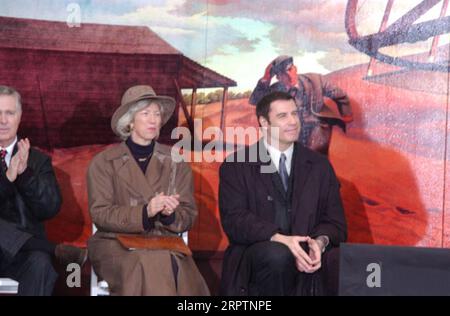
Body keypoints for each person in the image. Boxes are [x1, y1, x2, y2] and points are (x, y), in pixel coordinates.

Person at [219, 91, 347, 296]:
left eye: (294, 114)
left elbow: (336, 223)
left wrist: (320, 243)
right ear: (264, 122)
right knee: (278, 255)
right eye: (283, 116)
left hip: (307, 255)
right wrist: (279, 238)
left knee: (340, 260)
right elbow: (235, 221)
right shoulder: (237, 165)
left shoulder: (320, 166)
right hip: (259, 256)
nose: (293, 122)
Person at [87, 85, 210, 296]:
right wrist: (146, 212)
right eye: (146, 114)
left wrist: (171, 216)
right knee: (150, 262)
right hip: (114, 242)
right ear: (130, 121)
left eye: (157, 114)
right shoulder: (104, 162)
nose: (154, 120)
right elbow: (100, 214)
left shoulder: (176, 161)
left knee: (170, 263)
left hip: (164, 240)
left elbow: (188, 215)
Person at [0, 85, 87, 296]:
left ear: (19, 117)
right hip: (30, 244)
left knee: (41, 264)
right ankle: (54, 249)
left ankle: (45, 250)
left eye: (9, 113)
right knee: (43, 252)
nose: (3, 120)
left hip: (22, 254)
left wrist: (25, 175)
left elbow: (50, 208)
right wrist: (8, 178)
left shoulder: (37, 160)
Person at [249, 55, 353, 155]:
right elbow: (255, 100)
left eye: (290, 70)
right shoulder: (275, 89)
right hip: (292, 129)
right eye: (284, 74)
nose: (289, 76)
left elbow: (340, 95)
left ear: (295, 68)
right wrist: (265, 78)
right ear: (278, 77)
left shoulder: (315, 80)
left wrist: (346, 114)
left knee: (313, 156)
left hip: (316, 126)